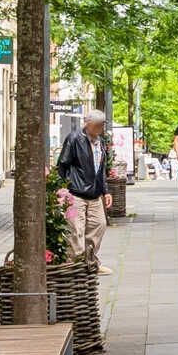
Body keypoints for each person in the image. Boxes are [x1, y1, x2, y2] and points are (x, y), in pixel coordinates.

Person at [56, 110, 109, 273]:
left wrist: (105, 191)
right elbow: (62, 164)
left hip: (94, 193)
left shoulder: (101, 141)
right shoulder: (74, 138)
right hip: (76, 192)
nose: (99, 129)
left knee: (99, 224)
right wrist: (62, 189)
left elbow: (101, 169)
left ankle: (90, 261)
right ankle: (77, 265)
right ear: (88, 124)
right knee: (76, 230)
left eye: (101, 126)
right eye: (97, 126)